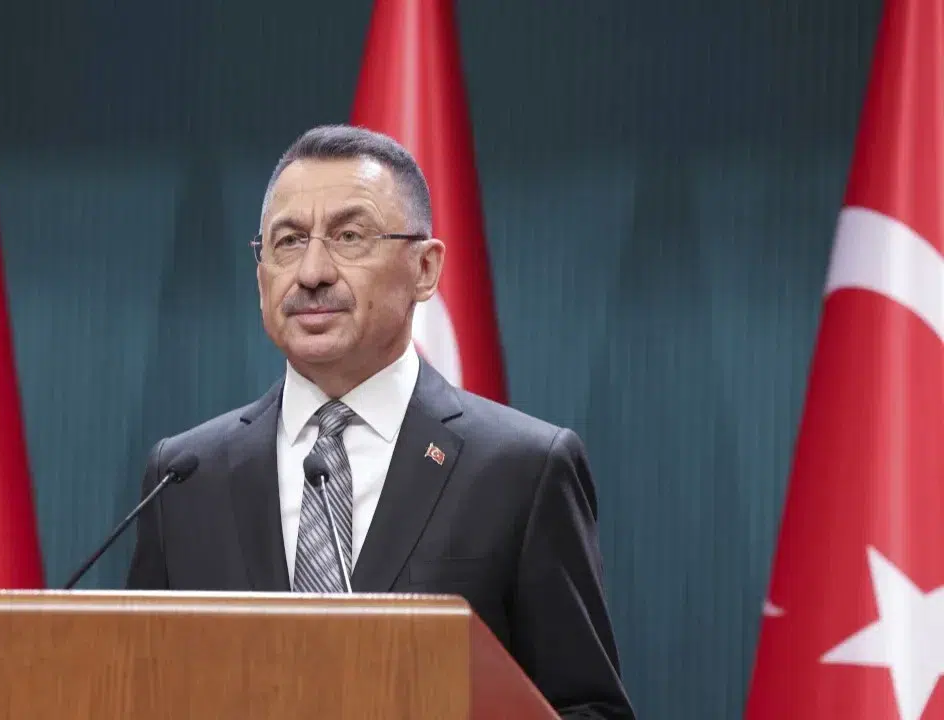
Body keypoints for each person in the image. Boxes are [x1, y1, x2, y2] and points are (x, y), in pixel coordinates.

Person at [126, 124, 634, 718]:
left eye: (349, 236)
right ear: (260, 274)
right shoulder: (185, 477)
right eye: (288, 241)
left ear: (425, 268)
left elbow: (587, 709)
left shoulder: (523, 470)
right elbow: (137, 694)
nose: (312, 272)